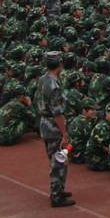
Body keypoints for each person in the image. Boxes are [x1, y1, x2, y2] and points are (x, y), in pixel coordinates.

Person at [36, 52, 74, 207]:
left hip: (45, 123)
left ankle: (58, 189)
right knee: (58, 161)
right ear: (59, 64)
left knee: (56, 159)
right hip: (53, 126)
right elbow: (57, 113)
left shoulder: (44, 79)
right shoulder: (54, 85)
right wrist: (64, 133)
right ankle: (56, 195)